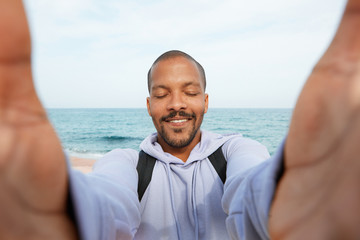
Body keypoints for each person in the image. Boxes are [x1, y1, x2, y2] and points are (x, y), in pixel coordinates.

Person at [0, 0, 359, 239]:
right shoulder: (126, 163)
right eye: (161, 94)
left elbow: (250, 188)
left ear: (205, 101)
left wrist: (285, 195)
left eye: (189, 92)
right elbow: (108, 202)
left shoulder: (237, 149)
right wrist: (68, 213)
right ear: (148, 105)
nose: (176, 104)